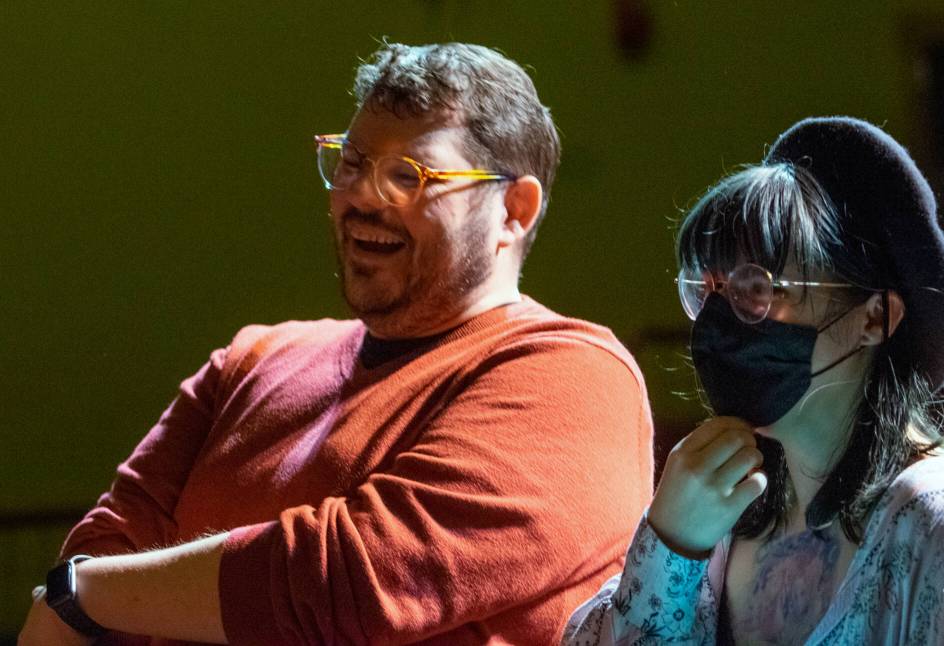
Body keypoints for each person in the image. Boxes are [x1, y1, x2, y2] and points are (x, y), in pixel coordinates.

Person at [19, 42, 655, 646]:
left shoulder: (572, 376)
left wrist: (82, 595)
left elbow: (360, 579)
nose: (361, 196)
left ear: (514, 209)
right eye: (351, 162)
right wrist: (86, 588)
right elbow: (113, 532)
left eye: (409, 174)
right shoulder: (252, 358)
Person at [563, 117, 944, 644]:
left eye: (756, 287)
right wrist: (670, 546)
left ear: (874, 317)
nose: (722, 319)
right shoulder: (721, 522)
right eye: (708, 289)